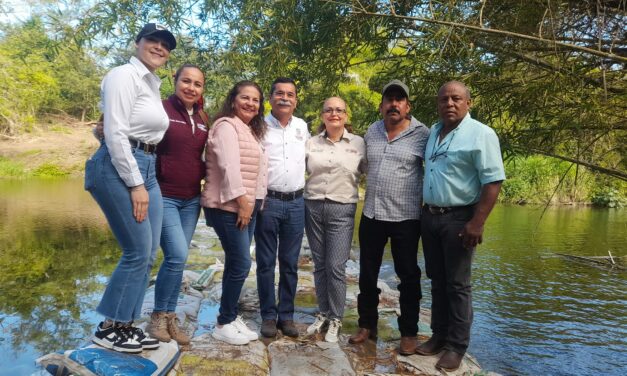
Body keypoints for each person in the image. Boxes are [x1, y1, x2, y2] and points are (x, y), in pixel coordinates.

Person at [84, 23, 177, 353]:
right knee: (137, 250)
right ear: (137, 42)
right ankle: (108, 327)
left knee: (149, 251)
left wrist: (144, 178)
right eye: (153, 40)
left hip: (146, 166)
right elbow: (116, 133)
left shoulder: (151, 84)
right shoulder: (123, 75)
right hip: (120, 167)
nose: (159, 47)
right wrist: (136, 184)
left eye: (166, 44)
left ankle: (125, 324)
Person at [416, 81, 505, 372]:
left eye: (456, 99)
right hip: (430, 217)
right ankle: (439, 335)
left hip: (459, 217)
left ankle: (456, 346)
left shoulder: (481, 134)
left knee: (458, 284)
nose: (450, 104)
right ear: (438, 103)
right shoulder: (434, 132)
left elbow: (493, 181)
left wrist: (477, 223)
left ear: (468, 102)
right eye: (444, 99)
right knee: (438, 280)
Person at [349, 80, 430, 356]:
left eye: (400, 100)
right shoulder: (372, 131)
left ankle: (408, 332)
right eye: (389, 99)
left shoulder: (424, 135)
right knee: (367, 274)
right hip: (372, 213)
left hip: (406, 218)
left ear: (408, 106)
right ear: (382, 105)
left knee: (408, 276)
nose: (394, 104)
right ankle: (366, 325)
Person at [144, 64, 209, 346]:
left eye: (197, 84)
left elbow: (204, 156)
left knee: (178, 259)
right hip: (164, 195)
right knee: (176, 254)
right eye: (186, 81)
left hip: (192, 199)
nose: (191, 88)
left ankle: (169, 316)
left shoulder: (204, 117)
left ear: (202, 89)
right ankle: (158, 316)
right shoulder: (161, 110)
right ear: (175, 81)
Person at [202, 81, 268, 345]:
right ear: (233, 100)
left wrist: (252, 203)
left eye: (255, 100)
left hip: (245, 206)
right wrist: (243, 202)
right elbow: (229, 167)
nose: (251, 103)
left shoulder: (248, 130)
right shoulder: (226, 126)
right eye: (245, 98)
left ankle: (228, 316)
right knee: (241, 262)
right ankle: (223, 323)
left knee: (234, 261)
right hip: (228, 206)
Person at [303, 97, 366, 343]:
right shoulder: (311, 143)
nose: (334, 114)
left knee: (336, 266)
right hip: (314, 206)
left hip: (343, 208)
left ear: (346, 115)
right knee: (319, 264)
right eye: (328, 110)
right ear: (322, 115)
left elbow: (373, 171)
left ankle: (336, 318)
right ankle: (323, 313)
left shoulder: (359, 144)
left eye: (339, 110)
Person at [255, 77, 310, 338]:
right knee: (266, 262)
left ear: (296, 100)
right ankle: (268, 315)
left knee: (289, 263)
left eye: (290, 94)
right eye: (279, 93)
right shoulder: (259, 126)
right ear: (271, 97)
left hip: (297, 203)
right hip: (269, 201)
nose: (285, 98)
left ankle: (286, 316)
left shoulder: (302, 126)